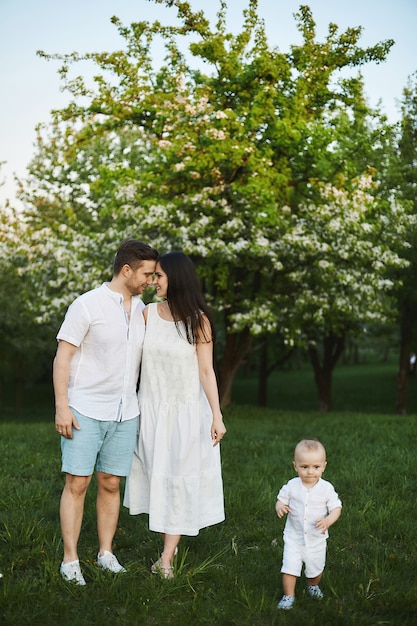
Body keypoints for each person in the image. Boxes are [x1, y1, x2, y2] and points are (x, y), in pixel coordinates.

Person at [53, 238, 158, 585]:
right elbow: (62, 358)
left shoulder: (144, 312)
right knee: (78, 483)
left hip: (126, 412)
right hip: (84, 410)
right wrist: (62, 408)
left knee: (111, 484)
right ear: (126, 270)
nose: (151, 280)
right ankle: (70, 561)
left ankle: (105, 553)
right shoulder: (87, 305)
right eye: (146, 273)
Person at [124, 251, 226, 579]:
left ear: (176, 280)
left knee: (180, 483)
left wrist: (217, 415)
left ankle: (166, 558)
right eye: (152, 276)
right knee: (158, 477)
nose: (153, 282)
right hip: (152, 412)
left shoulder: (198, 321)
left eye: (159, 277)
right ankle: (163, 547)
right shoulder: (147, 314)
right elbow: (130, 360)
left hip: (187, 416)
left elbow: (207, 372)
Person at [275, 439, 342, 610]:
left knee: (316, 567)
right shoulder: (292, 485)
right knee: (289, 567)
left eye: (316, 467)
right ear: (295, 466)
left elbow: (336, 508)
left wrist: (328, 521)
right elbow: (280, 500)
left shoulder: (326, 488)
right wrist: (280, 506)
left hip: (316, 539)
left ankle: (312, 584)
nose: (310, 472)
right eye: (304, 467)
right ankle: (288, 595)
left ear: (323, 466)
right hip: (294, 538)